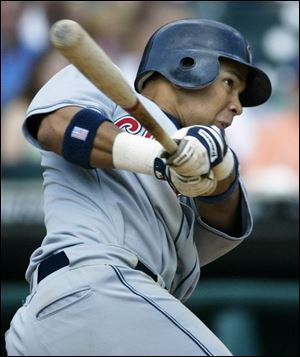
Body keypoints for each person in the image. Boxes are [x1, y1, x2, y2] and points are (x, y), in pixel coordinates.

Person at [5, 19, 272, 356]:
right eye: (229, 83)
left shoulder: (200, 158)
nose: (238, 105)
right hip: (96, 287)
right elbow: (56, 127)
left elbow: (224, 221)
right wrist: (158, 158)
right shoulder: (102, 88)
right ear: (187, 66)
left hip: (92, 316)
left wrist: (219, 164)